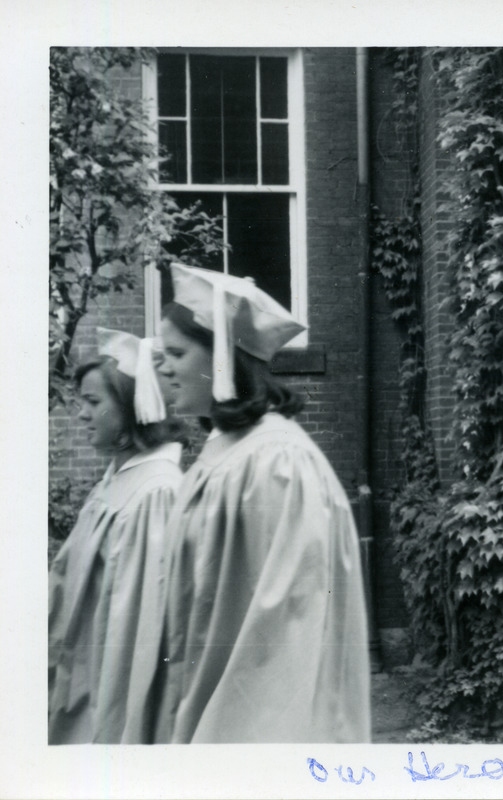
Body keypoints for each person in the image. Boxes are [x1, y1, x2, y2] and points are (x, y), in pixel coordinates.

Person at [120, 264, 370, 744]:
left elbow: (281, 638)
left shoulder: (277, 462)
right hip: (199, 705)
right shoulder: (225, 452)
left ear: (222, 361)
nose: (161, 367)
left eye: (175, 353)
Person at [49, 328, 183, 744]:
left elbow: (143, 625)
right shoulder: (115, 481)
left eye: (93, 402)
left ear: (129, 408)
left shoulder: (157, 491)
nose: (82, 415)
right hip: (81, 670)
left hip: (112, 687)